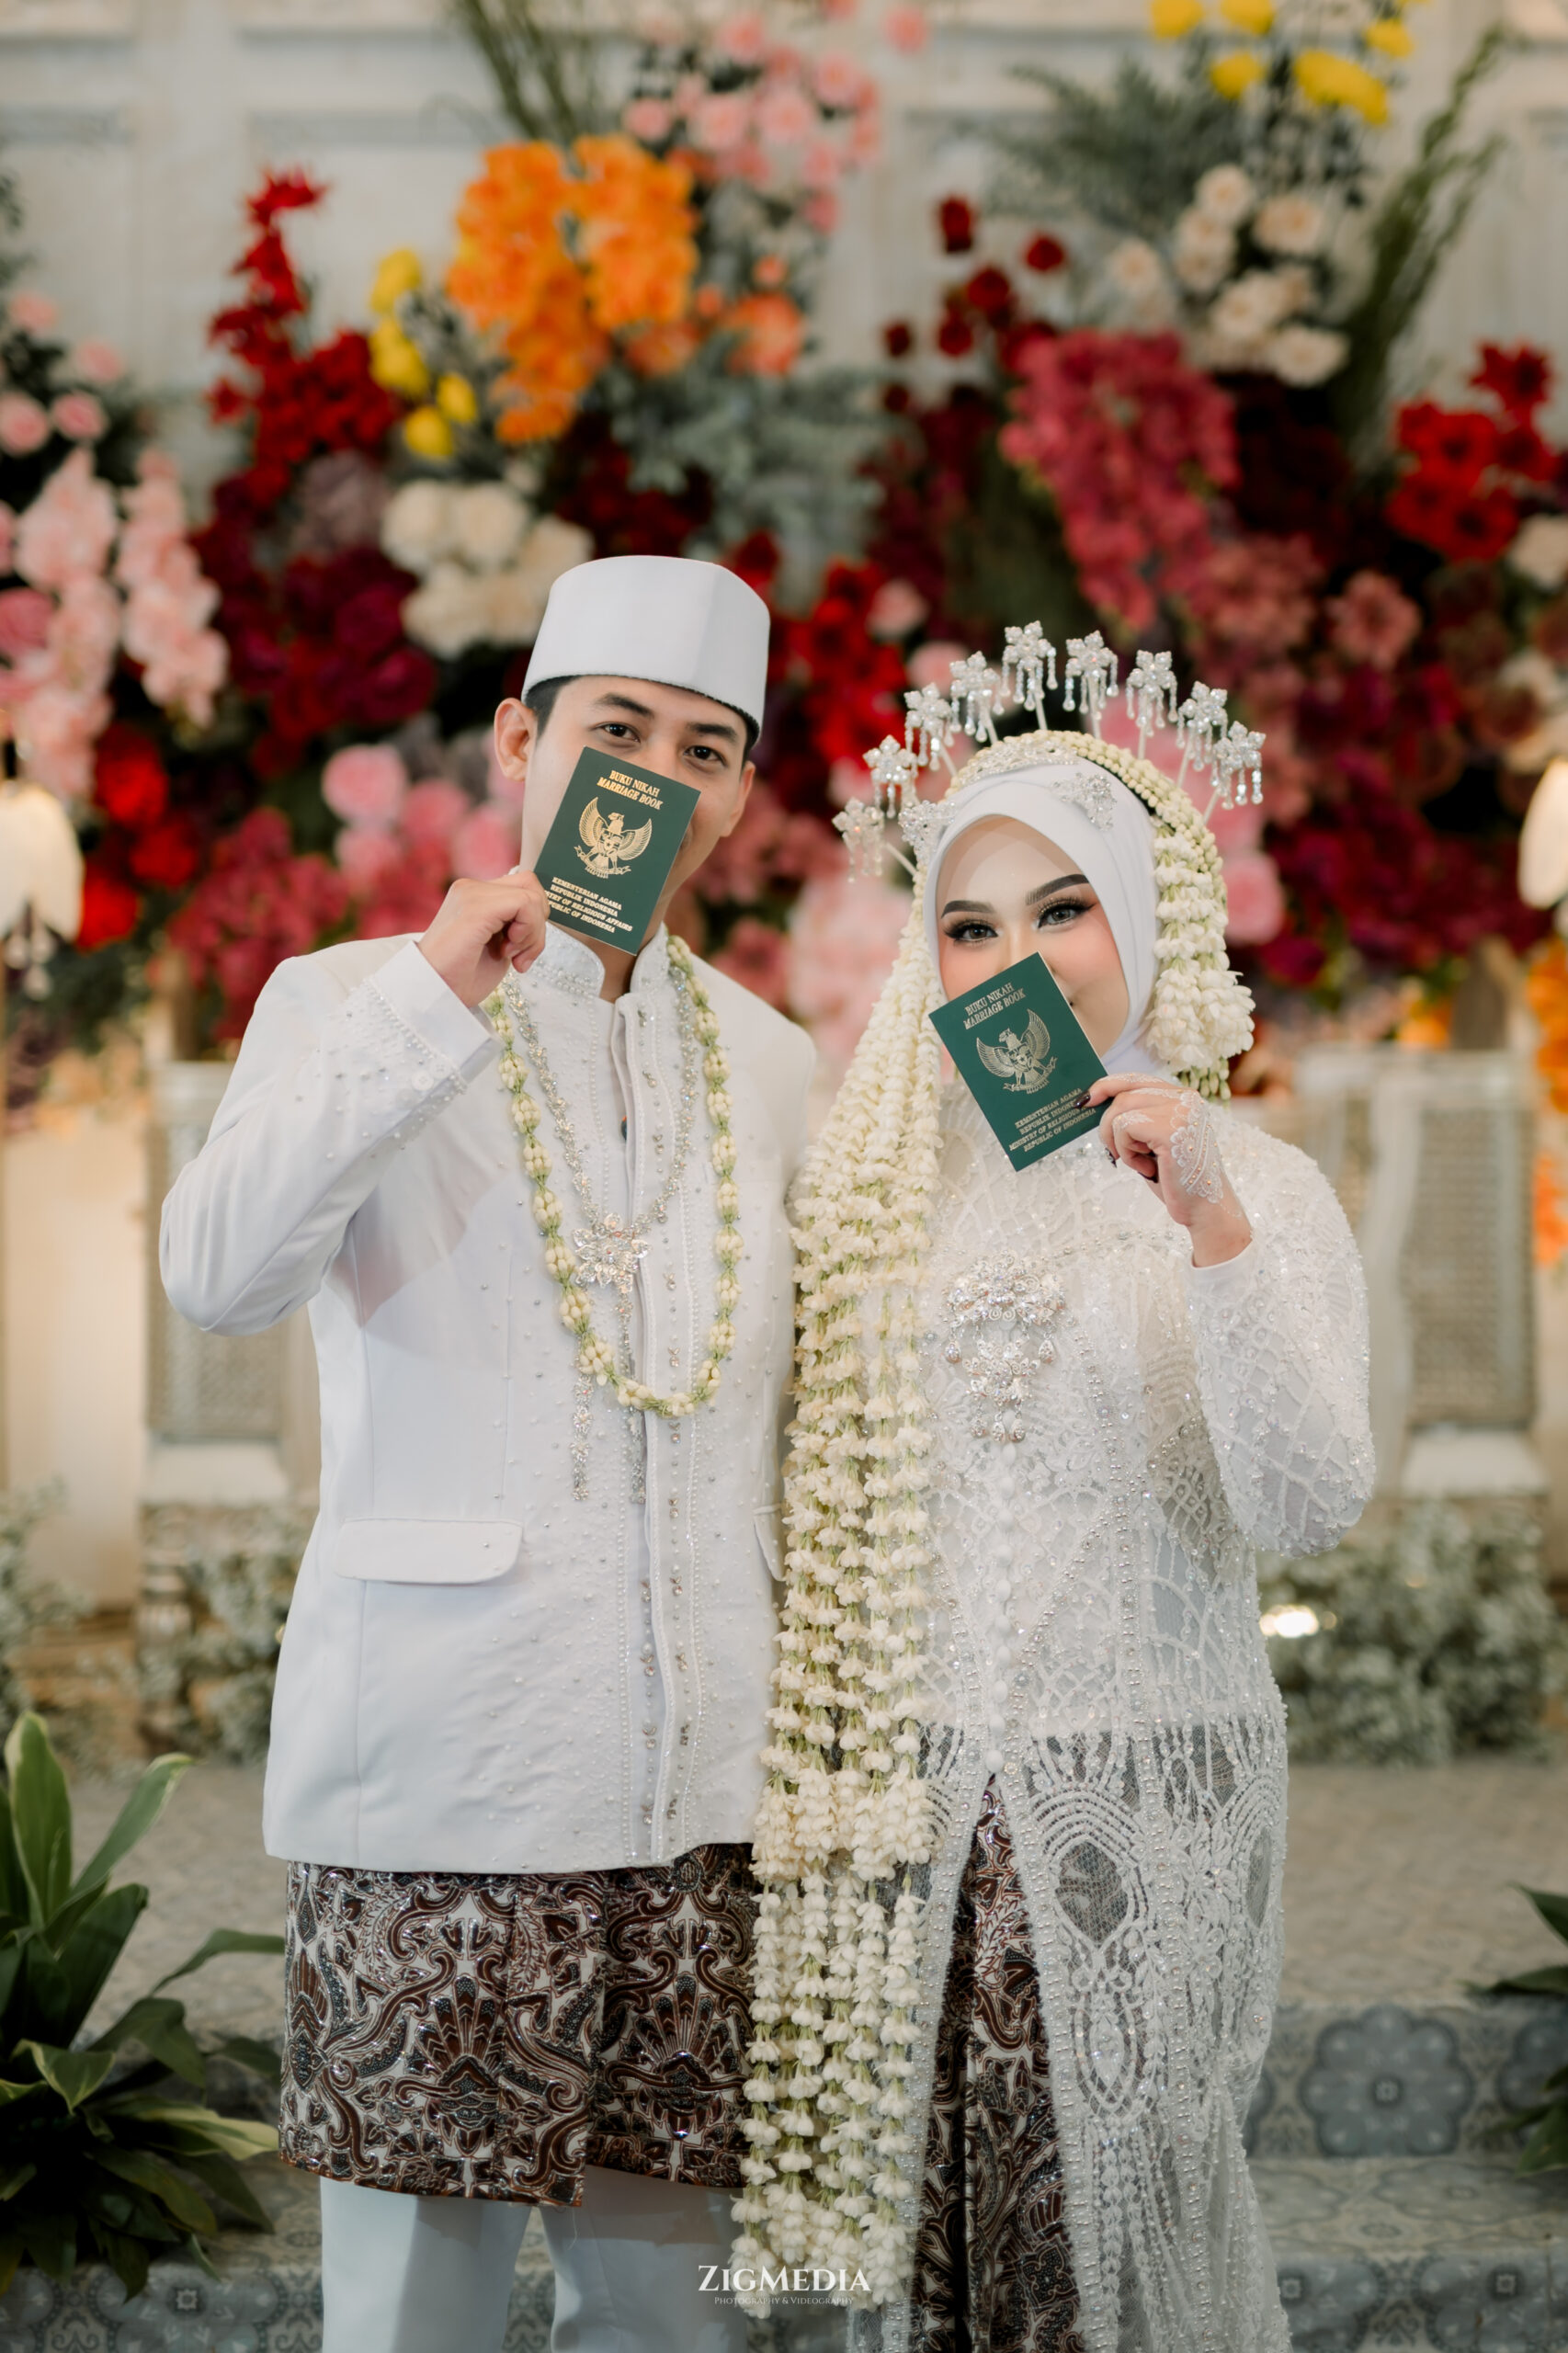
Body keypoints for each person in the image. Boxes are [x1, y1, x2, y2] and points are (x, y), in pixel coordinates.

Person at [161, 556, 814, 2353]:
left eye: (705, 748)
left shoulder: (772, 1060)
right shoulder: (349, 1000)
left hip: (700, 1788)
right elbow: (216, 1275)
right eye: (617, 729)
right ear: (522, 742)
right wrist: (431, 1002)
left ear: (735, 799)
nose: (656, 776)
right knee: (412, 2316)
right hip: (449, 1762)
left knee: (675, 2311)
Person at [735, 649, 1375, 2350]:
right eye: (967, 925)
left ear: (1148, 923)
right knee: (921, 2244)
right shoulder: (874, 1201)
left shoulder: (1259, 1184)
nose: (1012, 959)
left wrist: (1208, 1221)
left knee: (1107, 2247)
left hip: (1135, 1801)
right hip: (907, 1816)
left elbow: (1307, 1500)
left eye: (1062, 908)